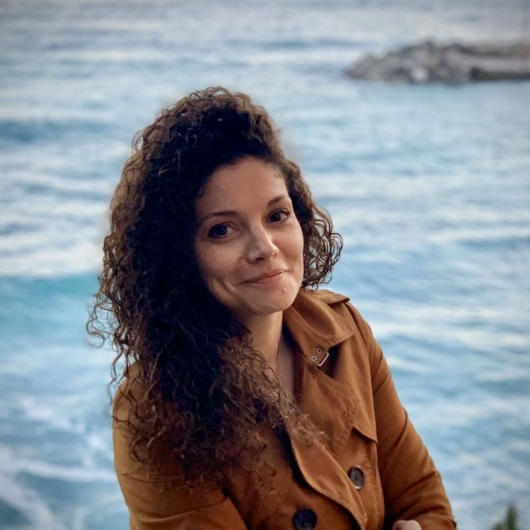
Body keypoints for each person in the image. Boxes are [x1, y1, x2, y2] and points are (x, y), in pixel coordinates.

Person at [89, 87, 456, 530]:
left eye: (277, 215)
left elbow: (426, 504)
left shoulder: (343, 331)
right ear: (179, 256)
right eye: (222, 230)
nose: (264, 247)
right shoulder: (156, 410)